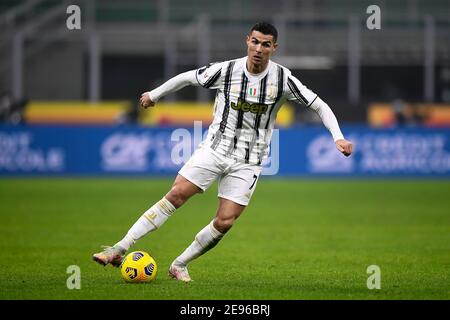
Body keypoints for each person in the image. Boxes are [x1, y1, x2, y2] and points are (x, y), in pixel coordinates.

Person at [92, 22, 353, 282]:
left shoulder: (282, 78)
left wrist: (338, 137)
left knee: (225, 221)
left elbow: (319, 105)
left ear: (274, 47)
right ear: (247, 41)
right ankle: (119, 247)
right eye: (254, 42)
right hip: (215, 149)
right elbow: (187, 77)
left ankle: (179, 264)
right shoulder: (228, 70)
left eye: (265, 44)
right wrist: (155, 95)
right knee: (177, 194)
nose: (258, 49)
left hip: (249, 161)